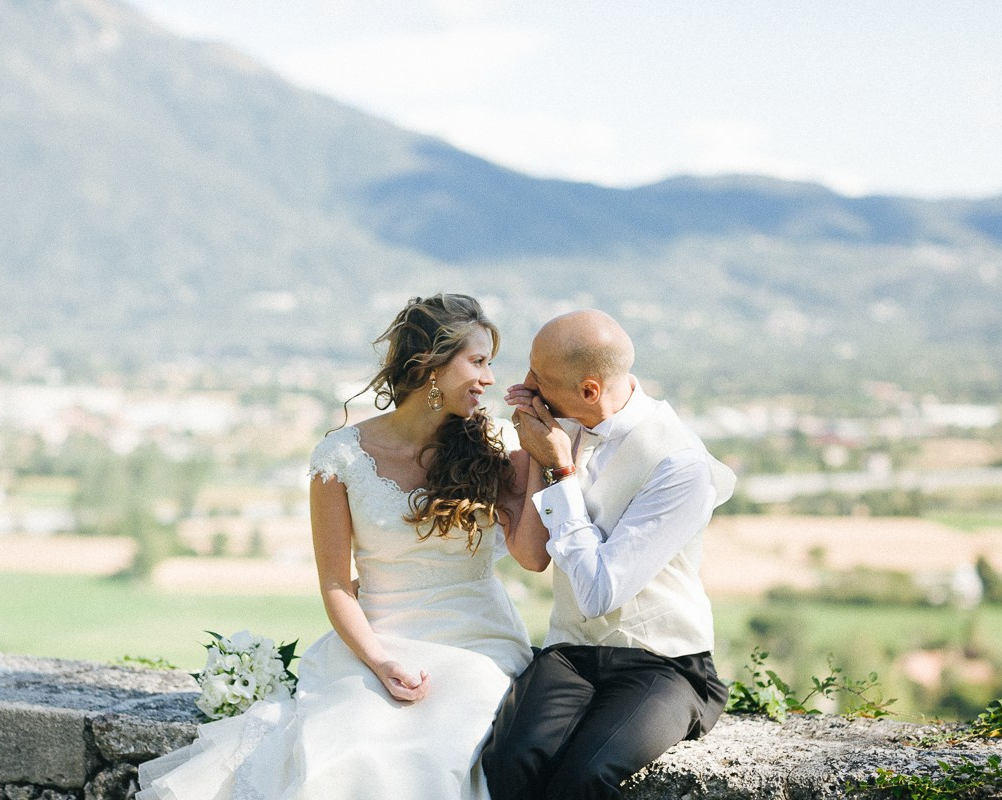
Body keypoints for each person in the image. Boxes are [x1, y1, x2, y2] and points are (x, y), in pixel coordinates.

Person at [137, 293, 543, 800]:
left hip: (479, 642)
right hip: (377, 641)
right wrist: (380, 662)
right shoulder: (340, 457)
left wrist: (543, 459)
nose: (489, 379)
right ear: (430, 365)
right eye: (478, 362)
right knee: (350, 747)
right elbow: (334, 584)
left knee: (442, 750)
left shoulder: (499, 447)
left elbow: (534, 558)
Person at [481, 309, 737, 800]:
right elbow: (533, 556)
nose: (525, 385)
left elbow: (599, 592)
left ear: (589, 390)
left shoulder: (681, 463)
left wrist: (561, 472)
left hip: (663, 662)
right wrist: (537, 454)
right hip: (572, 652)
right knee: (509, 762)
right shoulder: (559, 428)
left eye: (539, 377)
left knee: (586, 776)